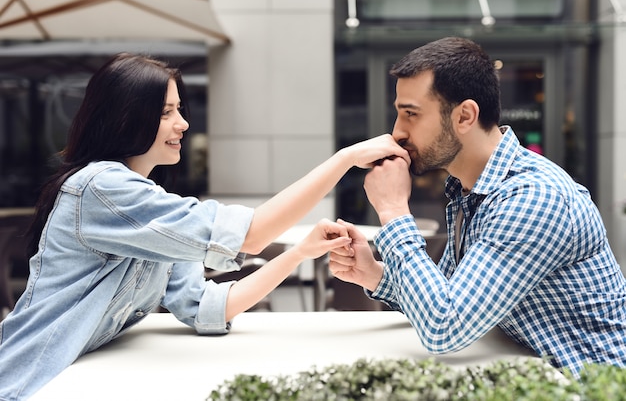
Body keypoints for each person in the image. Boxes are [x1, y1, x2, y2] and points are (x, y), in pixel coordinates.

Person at [0, 53, 409, 400]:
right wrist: (344, 160)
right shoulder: (103, 189)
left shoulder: (145, 207)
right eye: (165, 112)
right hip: (29, 381)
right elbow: (251, 235)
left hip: (81, 379)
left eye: (179, 110)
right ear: (126, 118)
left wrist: (300, 252)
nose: (183, 124)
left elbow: (206, 308)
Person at [327, 37, 626, 379]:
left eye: (411, 114)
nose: (397, 132)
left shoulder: (532, 198)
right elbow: (450, 296)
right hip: (539, 376)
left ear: (465, 116)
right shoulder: (470, 190)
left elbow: (445, 325)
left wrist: (394, 210)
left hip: (598, 386)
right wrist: (375, 275)